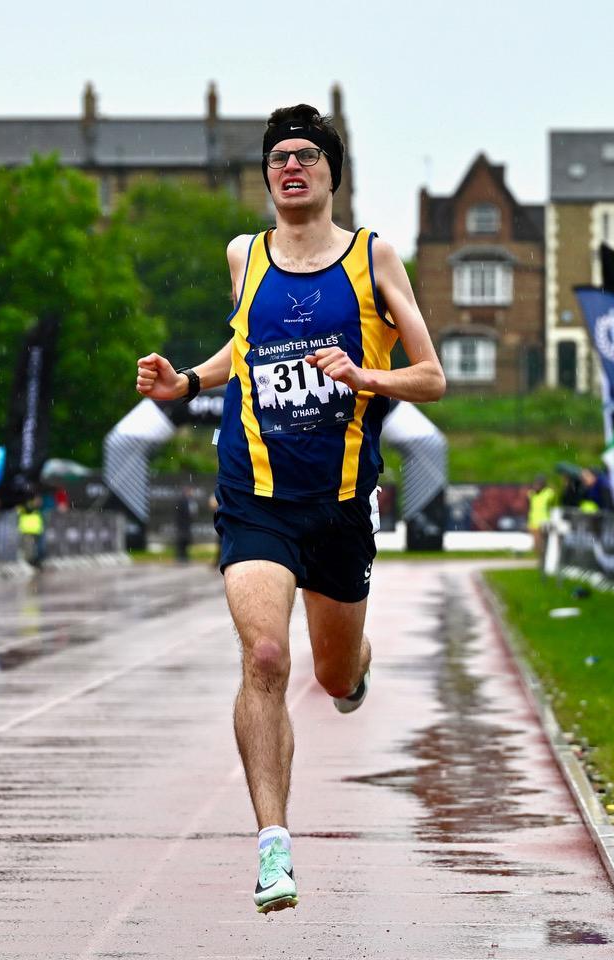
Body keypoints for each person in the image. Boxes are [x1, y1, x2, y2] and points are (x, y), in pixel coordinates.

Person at [136, 103, 445, 914]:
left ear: (330, 172)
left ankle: (358, 664)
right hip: (255, 499)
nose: (291, 168)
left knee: (333, 670)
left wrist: (367, 377)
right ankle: (274, 845)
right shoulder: (245, 255)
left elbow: (433, 377)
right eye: (279, 158)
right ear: (268, 173)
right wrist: (189, 383)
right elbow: (245, 344)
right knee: (267, 658)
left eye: (307, 156)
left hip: (339, 503)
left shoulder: (375, 259)